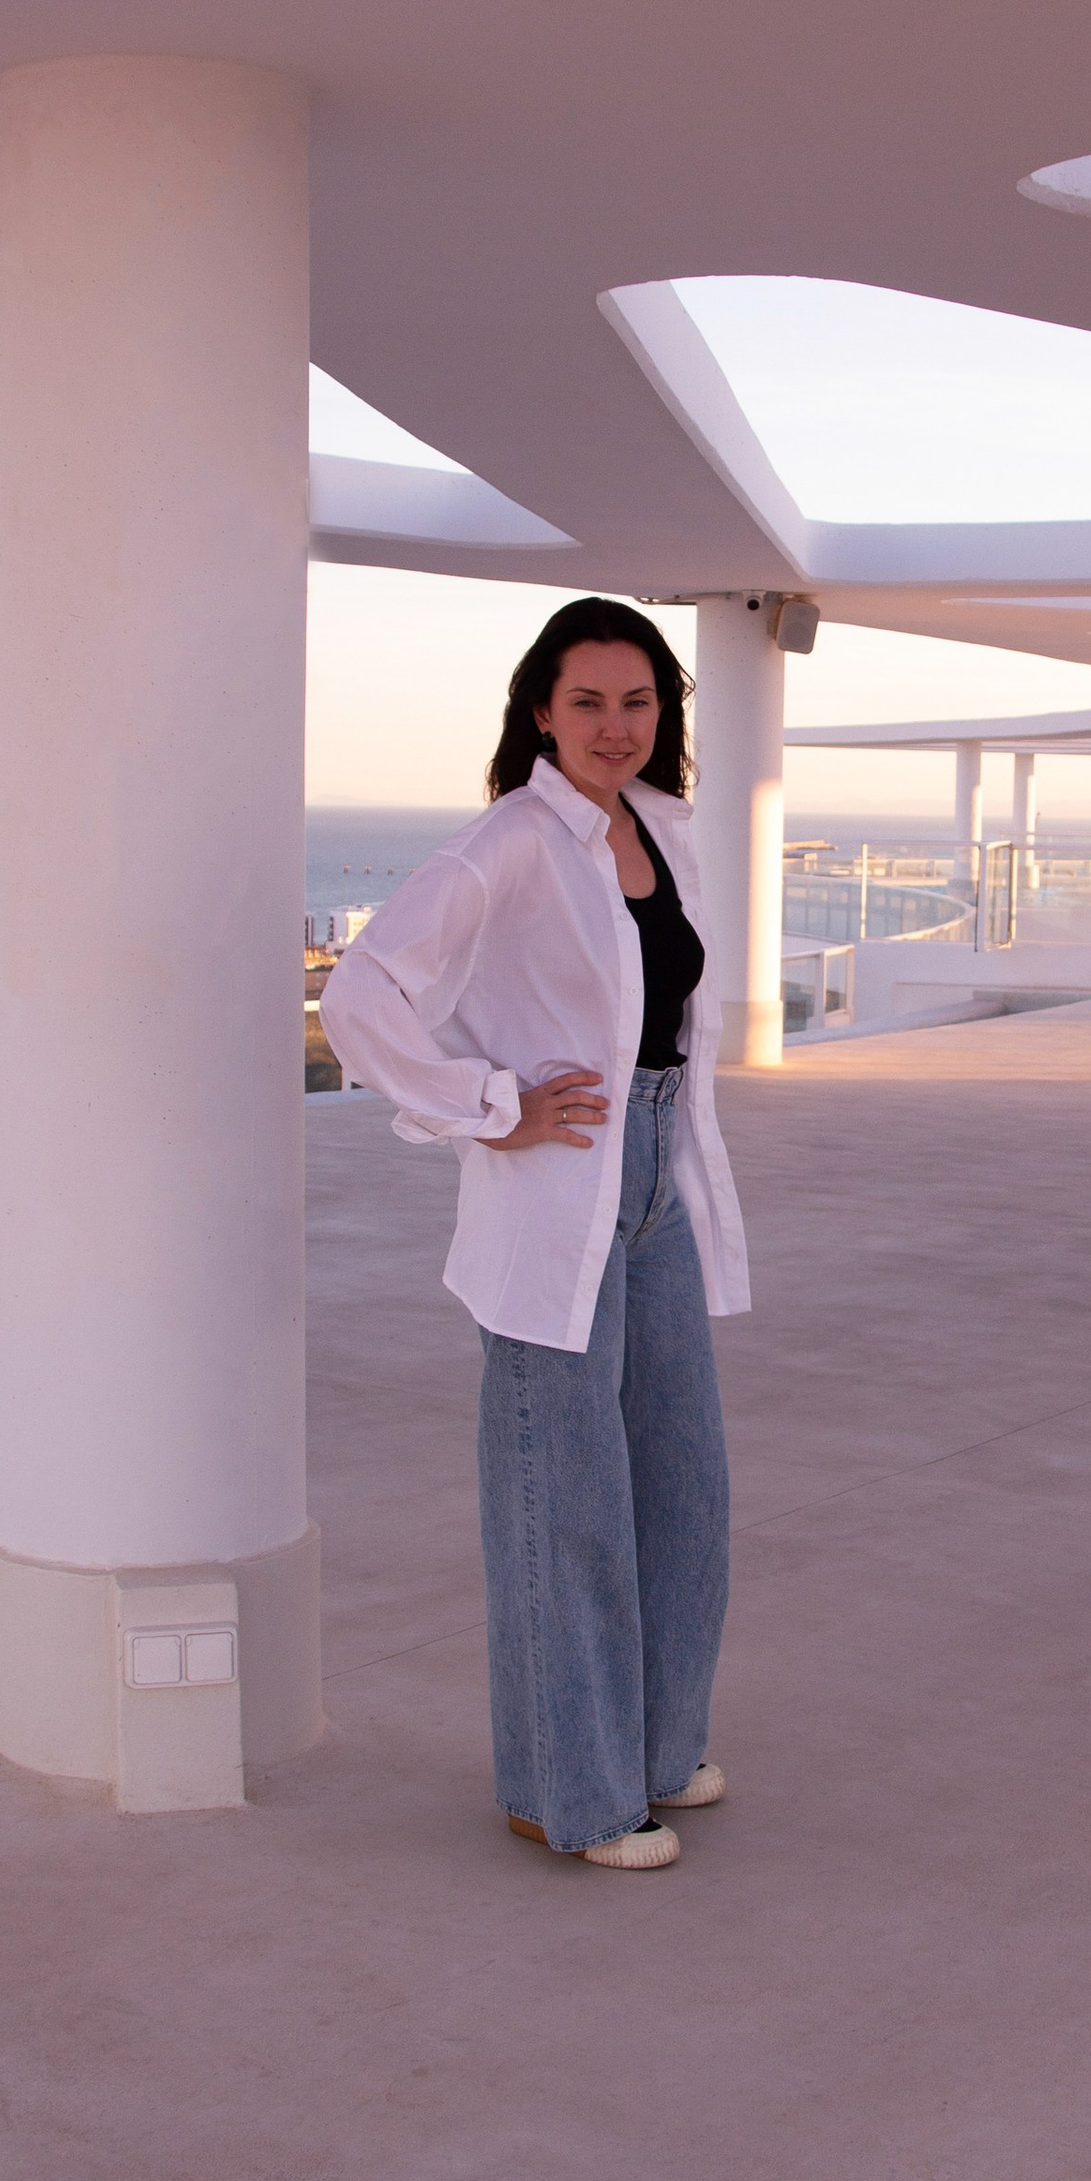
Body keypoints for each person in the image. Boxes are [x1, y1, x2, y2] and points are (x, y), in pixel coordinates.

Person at [318, 599, 750, 1873]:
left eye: (637, 702)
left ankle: (658, 1751)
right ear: (539, 715)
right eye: (587, 704)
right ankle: (573, 1790)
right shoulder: (506, 843)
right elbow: (362, 993)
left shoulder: (661, 832)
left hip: (656, 1177)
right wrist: (487, 1110)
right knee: (563, 1500)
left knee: (682, 1485)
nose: (615, 727)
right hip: (557, 1186)